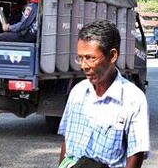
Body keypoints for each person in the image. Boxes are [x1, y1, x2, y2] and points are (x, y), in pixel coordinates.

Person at [58, 20, 149, 168]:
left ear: (112, 56)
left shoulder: (133, 100)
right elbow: (67, 143)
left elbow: (136, 154)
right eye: (80, 58)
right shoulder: (77, 93)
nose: (84, 66)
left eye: (90, 58)